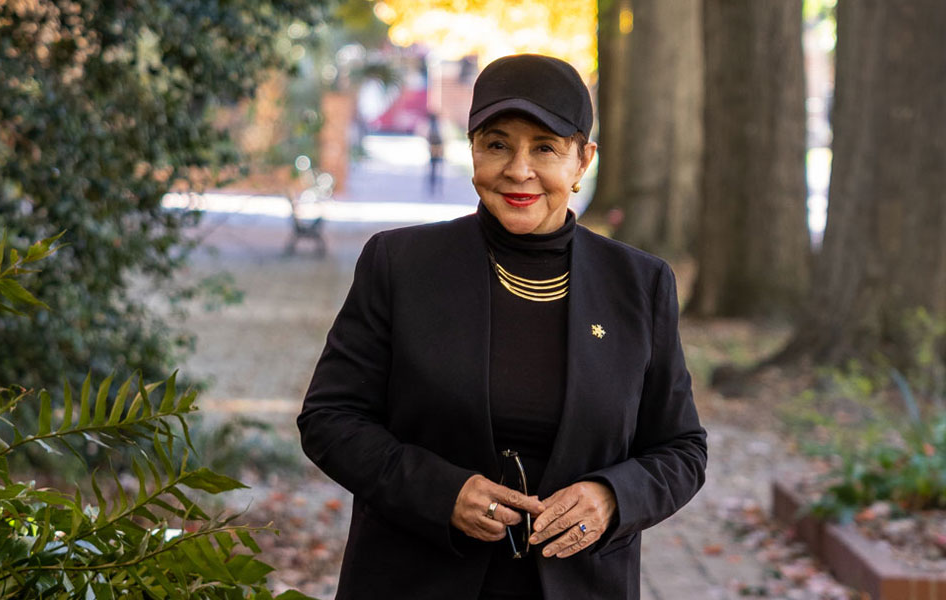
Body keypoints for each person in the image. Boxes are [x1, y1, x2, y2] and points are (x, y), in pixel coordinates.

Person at [297, 54, 708, 599]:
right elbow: (330, 418)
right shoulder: (400, 265)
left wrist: (613, 497)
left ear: (582, 161)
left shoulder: (640, 285)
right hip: (415, 578)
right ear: (472, 151)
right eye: (497, 144)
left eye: (545, 147)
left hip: (580, 584)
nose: (519, 170)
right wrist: (442, 493)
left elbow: (681, 449)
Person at [425, 112, 446, 195]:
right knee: (437, 168)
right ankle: (436, 186)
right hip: (437, 149)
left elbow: (428, 137)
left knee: (433, 169)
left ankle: (433, 186)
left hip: (434, 149)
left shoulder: (432, 126)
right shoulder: (438, 126)